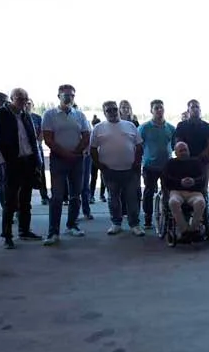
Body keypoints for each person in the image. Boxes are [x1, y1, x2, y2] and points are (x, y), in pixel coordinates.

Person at [0, 88, 43, 250]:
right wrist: (2, 162)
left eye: (25, 99)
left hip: (28, 161)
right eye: (19, 98)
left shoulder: (26, 115)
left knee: (26, 199)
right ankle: (7, 235)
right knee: (10, 201)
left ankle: (24, 230)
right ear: (11, 99)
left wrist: (37, 161)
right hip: (11, 162)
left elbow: (33, 140)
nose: (23, 101)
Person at [40, 84, 91, 246]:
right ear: (59, 96)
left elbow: (86, 135)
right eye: (66, 95)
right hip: (58, 159)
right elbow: (48, 139)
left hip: (77, 159)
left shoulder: (79, 115)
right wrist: (65, 154)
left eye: (72, 95)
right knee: (57, 196)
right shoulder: (50, 114)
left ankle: (72, 225)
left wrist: (75, 152)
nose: (69, 98)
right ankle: (53, 232)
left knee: (76, 194)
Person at [91, 100, 144, 237]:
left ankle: (134, 224)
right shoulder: (98, 128)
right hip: (109, 171)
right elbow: (93, 149)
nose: (112, 112)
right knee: (113, 198)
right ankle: (116, 223)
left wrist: (137, 163)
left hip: (130, 170)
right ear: (104, 112)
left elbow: (139, 146)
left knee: (132, 198)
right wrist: (99, 165)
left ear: (118, 110)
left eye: (114, 109)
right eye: (109, 110)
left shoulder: (130, 126)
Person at [139, 99, 175, 229]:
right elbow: (138, 145)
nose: (159, 110)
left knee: (168, 191)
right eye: (156, 108)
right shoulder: (144, 128)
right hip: (150, 166)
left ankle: (167, 215)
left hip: (167, 166)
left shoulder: (171, 128)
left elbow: (175, 145)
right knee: (149, 192)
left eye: (161, 107)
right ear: (151, 111)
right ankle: (148, 218)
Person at [164, 142, 208, 239]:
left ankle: (193, 229)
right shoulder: (170, 163)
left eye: (185, 150)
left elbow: (203, 178)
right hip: (177, 191)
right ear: (176, 153)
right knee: (173, 202)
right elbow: (166, 180)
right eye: (181, 151)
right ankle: (184, 230)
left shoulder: (196, 162)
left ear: (189, 151)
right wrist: (180, 182)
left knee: (200, 202)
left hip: (194, 192)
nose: (183, 152)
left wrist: (194, 181)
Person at [173, 99, 209, 192]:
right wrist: (186, 156)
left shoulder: (207, 126)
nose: (195, 109)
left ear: (200, 110)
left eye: (197, 107)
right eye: (193, 107)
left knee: (202, 187)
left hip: (202, 161)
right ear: (188, 110)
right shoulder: (181, 125)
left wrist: (200, 157)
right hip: (185, 161)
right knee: (185, 187)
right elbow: (178, 143)